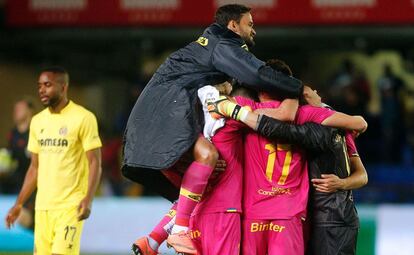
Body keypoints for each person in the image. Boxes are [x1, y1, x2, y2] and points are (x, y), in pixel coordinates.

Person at [123, 4, 302, 254]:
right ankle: (177, 230)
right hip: (226, 208)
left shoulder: (202, 77)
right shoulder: (222, 48)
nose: (254, 30)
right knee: (208, 156)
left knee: (196, 181)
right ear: (233, 25)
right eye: (249, 24)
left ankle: (154, 239)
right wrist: (297, 90)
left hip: (155, 130)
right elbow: (258, 76)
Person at [210, 61, 367, 255]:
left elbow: (210, 123)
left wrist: (210, 160)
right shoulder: (307, 114)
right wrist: (316, 103)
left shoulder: (246, 110)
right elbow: (360, 123)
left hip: (253, 212)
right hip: (288, 212)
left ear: (259, 86)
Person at [4, 67, 102, 255]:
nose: (41, 90)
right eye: (40, 86)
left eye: (47, 85)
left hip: (70, 207)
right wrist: (19, 203)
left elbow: (95, 163)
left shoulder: (84, 118)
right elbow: (34, 168)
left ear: (63, 87)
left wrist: (88, 200)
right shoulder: (38, 122)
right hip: (43, 208)